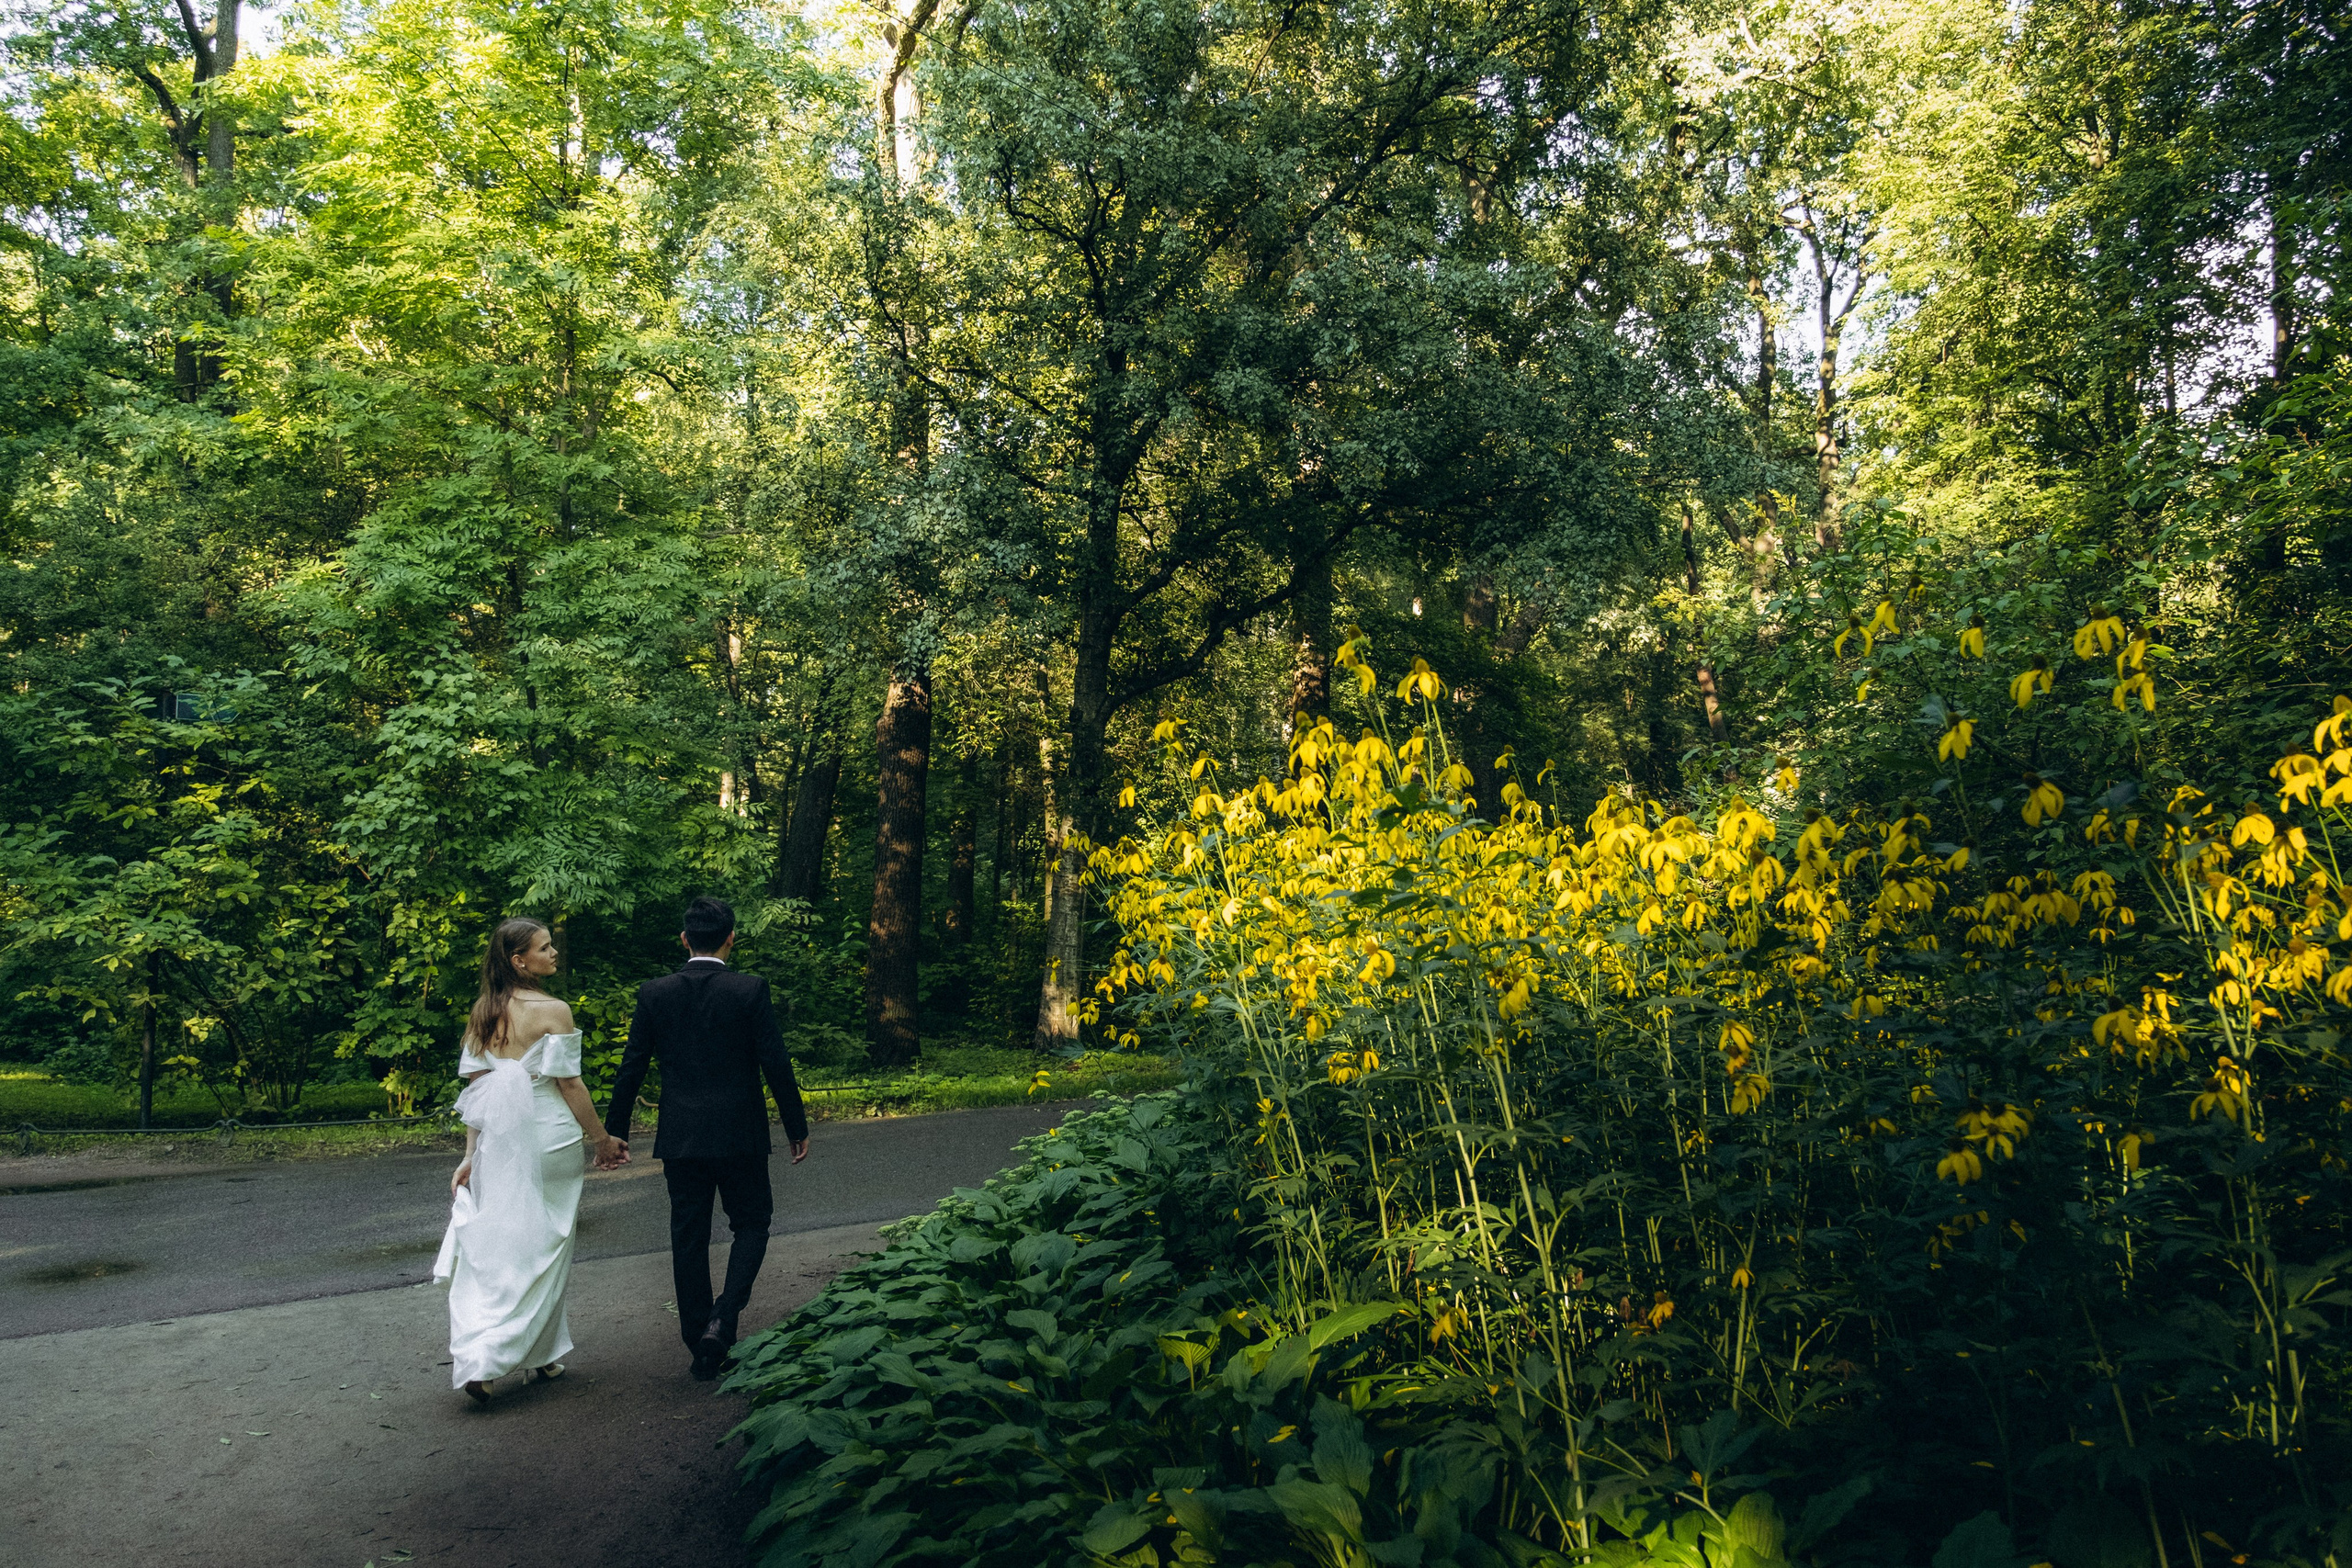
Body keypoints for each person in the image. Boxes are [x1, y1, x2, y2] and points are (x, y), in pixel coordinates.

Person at [605, 896, 809, 1381]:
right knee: (753, 1223)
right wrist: (795, 1126)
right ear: (731, 938)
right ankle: (724, 1317)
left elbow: (631, 1065)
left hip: (682, 1137)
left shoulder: (655, 993)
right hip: (741, 1132)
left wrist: (614, 1132)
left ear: (684, 939)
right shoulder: (749, 990)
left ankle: (698, 1335)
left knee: (688, 1235)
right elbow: (775, 1063)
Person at [435, 917, 629, 1406]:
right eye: (544, 948)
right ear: (519, 960)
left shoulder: (483, 1010)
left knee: (513, 1246)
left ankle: (541, 1354)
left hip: (500, 1142)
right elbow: (569, 1084)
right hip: (549, 1139)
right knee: (548, 1249)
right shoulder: (553, 1010)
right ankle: (490, 1355)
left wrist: (470, 1156)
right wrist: (602, 1139)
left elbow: (478, 1089)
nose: (553, 954)